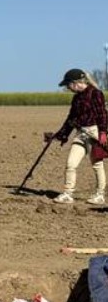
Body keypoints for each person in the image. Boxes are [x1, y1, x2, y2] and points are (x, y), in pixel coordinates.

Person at [45, 68, 108, 205]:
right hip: (81, 135)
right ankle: (68, 194)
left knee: (97, 165)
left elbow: (102, 114)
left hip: (94, 133)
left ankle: (99, 195)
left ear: (75, 83)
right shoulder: (76, 98)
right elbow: (70, 119)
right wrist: (60, 135)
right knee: (71, 164)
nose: (68, 88)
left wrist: (103, 133)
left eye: (68, 85)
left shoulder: (96, 94)